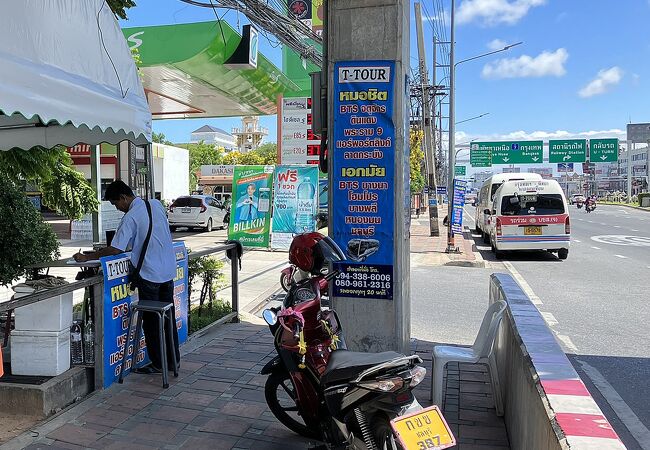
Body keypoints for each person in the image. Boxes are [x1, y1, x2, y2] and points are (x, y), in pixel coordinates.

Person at [74, 180, 179, 374]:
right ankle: (173, 361)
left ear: (123, 197)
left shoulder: (130, 217)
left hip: (150, 275)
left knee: (152, 322)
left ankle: (158, 364)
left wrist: (87, 257)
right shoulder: (155, 204)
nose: (117, 208)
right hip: (168, 271)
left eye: (116, 204)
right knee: (167, 319)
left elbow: (115, 248)